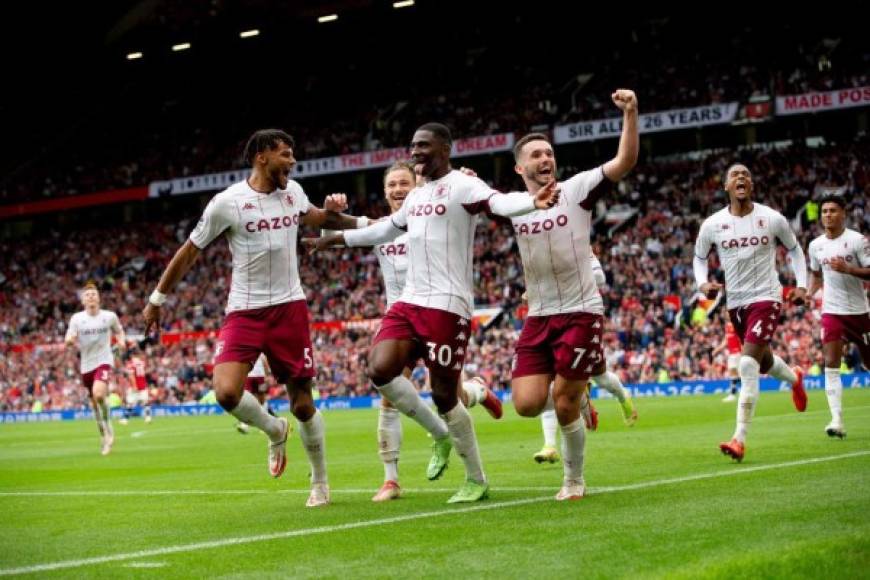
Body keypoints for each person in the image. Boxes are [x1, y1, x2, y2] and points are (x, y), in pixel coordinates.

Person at [309, 122, 559, 503]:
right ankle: (434, 439)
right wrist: (335, 240)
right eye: (412, 146)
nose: (415, 152)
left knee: (445, 395)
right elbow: (384, 230)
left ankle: (476, 477)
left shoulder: (463, 184)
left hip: (447, 305)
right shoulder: (416, 196)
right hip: (409, 302)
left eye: (422, 146)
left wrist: (532, 200)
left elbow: (497, 202)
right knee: (379, 369)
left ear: (444, 148)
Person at [142, 128, 363, 507]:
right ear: (262, 156)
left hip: (290, 307)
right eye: (285, 154)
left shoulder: (292, 193)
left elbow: (317, 218)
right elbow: (190, 251)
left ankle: (320, 482)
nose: (292, 162)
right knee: (226, 393)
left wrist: (370, 220)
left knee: (303, 405)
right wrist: (157, 298)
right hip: (244, 311)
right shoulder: (228, 203)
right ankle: (274, 429)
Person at [508, 89, 639, 500]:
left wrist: (630, 115)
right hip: (539, 314)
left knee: (563, 401)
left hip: (581, 310)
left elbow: (624, 163)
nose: (545, 159)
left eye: (549, 153)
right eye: (536, 155)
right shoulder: (512, 204)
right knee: (527, 404)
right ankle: (576, 395)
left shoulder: (578, 188)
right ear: (519, 167)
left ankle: (574, 479)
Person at [365, 161, 503, 503]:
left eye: (404, 183)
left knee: (448, 397)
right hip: (400, 317)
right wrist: (329, 216)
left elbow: (468, 209)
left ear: (418, 186)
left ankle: (477, 392)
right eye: (391, 184)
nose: (398, 189)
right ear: (384, 192)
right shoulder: (381, 228)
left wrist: (466, 181)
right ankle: (391, 479)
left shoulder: (436, 217)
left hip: (439, 311)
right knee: (386, 391)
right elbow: (346, 230)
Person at [694, 163, 809, 462]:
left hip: (766, 297)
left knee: (747, 364)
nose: (741, 178)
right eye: (735, 175)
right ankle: (795, 378)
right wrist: (702, 283)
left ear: (752, 185)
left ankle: (739, 438)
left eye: (746, 174)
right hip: (736, 303)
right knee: (764, 361)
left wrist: (802, 285)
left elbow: (795, 250)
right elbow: (699, 258)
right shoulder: (713, 224)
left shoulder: (771, 218)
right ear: (726, 187)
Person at [532, 253, 638, 465]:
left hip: (582, 320)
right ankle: (549, 445)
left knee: (601, 377)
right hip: (551, 320)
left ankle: (621, 396)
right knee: (552, 382)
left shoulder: (578, 245)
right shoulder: (540, 246)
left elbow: (599, 278)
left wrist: (565, 283)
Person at [807, 194, 870, 439]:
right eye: (824, 211)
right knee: (831, 363)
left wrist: (849, 269)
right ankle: (837, 420)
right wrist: (808, 294)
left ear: (843, 213)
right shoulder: (815, 245)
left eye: (833, 210)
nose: (828, 215)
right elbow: (816, 275)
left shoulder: (857, 241)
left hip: (859, 313)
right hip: (832, 311)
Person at [65, 283, 126, 455]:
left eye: (94, 294)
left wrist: (121, 341)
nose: (91, 296)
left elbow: (119, 331)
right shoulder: (77, 319)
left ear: (98, 298)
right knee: (95, 405)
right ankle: (104, 434)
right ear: (83, 300)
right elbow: (69, 335)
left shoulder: (109, 316)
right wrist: (69, 340)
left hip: (104, 360)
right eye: (88, 295)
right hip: (86, 365)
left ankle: (110, 432)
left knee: (99, 394)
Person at [236, 353, 273, 434]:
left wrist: (267, 375)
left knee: (261, 399)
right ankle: (244, 424)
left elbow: (265, 363)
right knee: (248, 398)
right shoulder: (248, 351)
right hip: (250, 377)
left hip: (260, 377)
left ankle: (265, 424)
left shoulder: (261, 352)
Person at [711, 321, 742, 402]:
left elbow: (742, 338)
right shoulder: (728, 325)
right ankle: (733, 394)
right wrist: (716, 350)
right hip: (732, 354)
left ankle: (738, 393)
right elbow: (726, 341)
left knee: (738, 374)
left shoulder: (737, 323)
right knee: (733, 373)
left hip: (738, 352)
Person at [123, 343, 152, 424]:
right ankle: (148, 417)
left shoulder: (130, 364)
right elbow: (144, 372)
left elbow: (131, 375)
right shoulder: (141, 362)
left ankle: (125, 419)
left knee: (130, 402)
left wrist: (134, 385)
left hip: (136, 386)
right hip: (143, 384)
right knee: (145, 402)